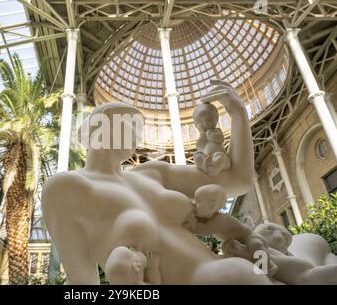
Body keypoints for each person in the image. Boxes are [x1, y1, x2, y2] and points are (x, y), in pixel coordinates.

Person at [42, 80, 274, 284]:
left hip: (237, 272)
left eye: (137, 127)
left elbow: (238, 180)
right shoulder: (66, 188)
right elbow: (83, 282)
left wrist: (238, 115)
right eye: (127, 123)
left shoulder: (151, 173)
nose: (136, 134)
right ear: (96, 130)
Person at [223, 223, 337, 284]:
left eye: (286, 238)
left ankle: (251, 256)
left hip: (305, 273)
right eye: (270, 229)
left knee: (308, 273)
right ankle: (251, 256)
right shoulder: (260, 245)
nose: (279, 234)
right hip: (303, 274)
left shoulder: (286, 254)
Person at [193, 102, 231, 177]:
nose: (205, 124)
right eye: (201, 122)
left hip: (220, 159)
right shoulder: (203, 136)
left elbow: (220, 139)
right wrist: (202, 138)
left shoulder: (216, 130)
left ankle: (215, 168)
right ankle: (206, 166)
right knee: (197, 155)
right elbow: (199, 147)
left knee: (220, 156)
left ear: (215, 120)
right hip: (208, 159)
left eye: (208, 120)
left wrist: (210, 135)